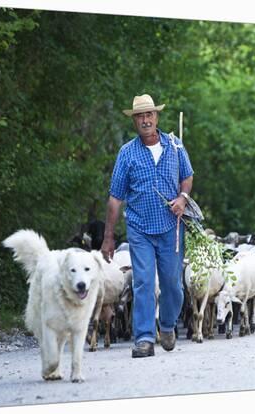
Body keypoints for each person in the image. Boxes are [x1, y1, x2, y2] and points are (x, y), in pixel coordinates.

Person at [101, 94, 194, 358]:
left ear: (157, 117)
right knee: (142, 283)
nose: (145, 120)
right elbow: (115, 197)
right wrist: (108, 237)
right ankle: (143, 338)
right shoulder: (127, 153)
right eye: (140, 116)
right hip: (140, 229)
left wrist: (182, 198)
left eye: (149, 115)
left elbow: (187, 178)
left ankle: (166, 325)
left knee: (173, 285)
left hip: (171, 229)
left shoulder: (175, 146)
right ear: (134, 121)